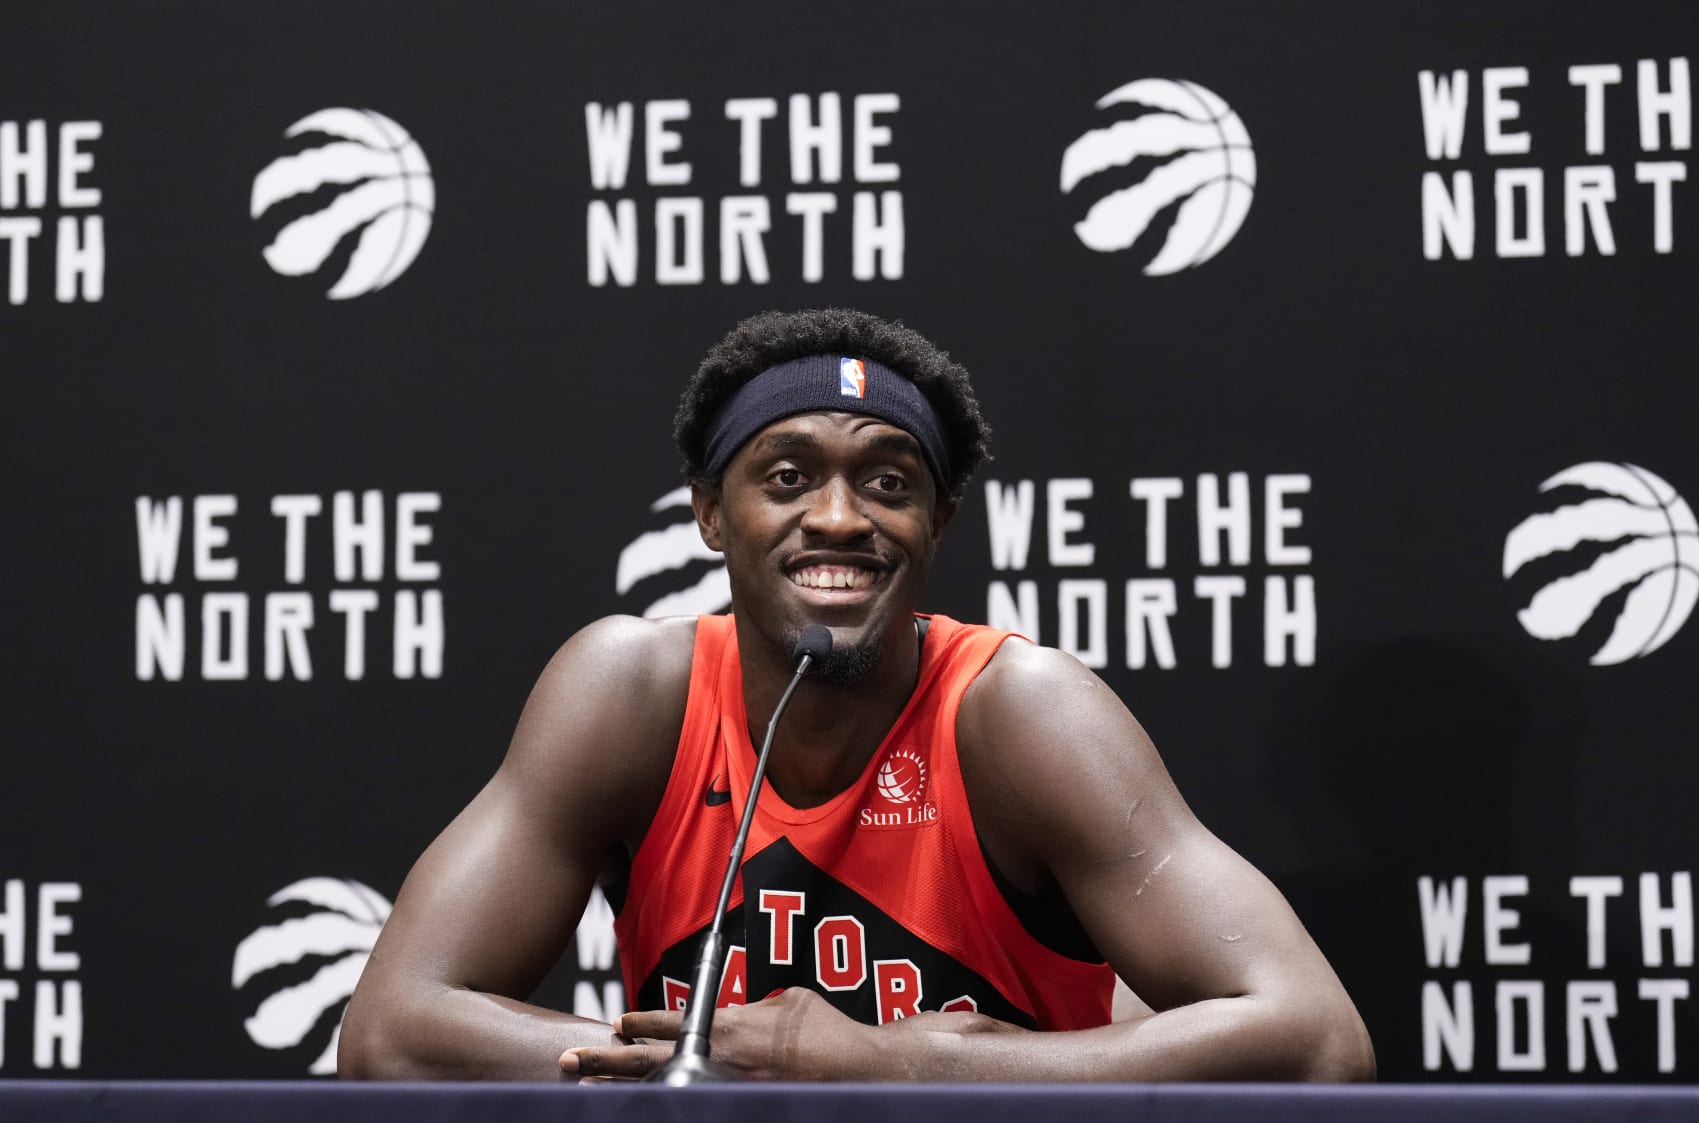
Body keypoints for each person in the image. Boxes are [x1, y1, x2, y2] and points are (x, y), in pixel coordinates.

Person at [338, 308, 1374, 1082]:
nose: (839, 517)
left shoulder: (1018, 712)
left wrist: (897, 1066)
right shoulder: (632, 690)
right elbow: (389, 1033)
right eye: (786, 477)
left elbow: (1316, 1039)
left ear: (940, 521)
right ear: (709, 512)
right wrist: (714, 1060)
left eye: (888, 482)